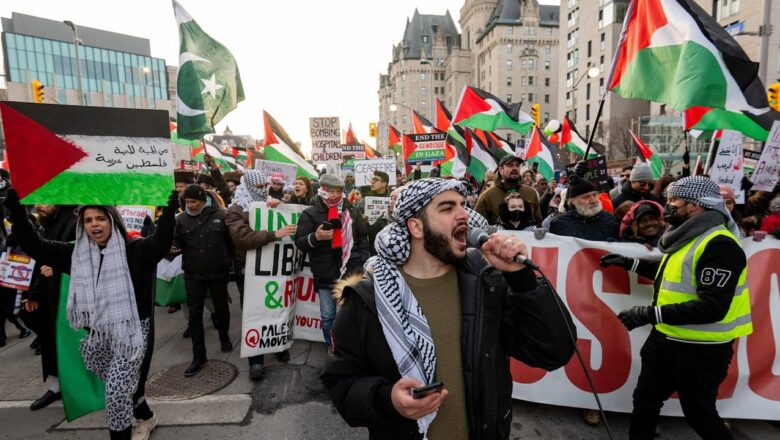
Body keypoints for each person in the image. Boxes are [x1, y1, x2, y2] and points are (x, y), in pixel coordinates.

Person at [321, 178, 575, 439]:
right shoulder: (368, 298)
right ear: (416, 227)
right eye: (447, 208)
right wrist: (387, 399)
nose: (464, 214)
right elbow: (342, 383)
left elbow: (553, 351)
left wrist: (522, 280)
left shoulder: (486, 284)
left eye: (463, 205)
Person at [5, 188, 178, 440]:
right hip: (98, 334)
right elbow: (36, 247)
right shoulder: (76, 254)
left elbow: (160, 244)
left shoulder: (136, 249)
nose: (94, 225)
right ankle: (146, 416)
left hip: (132, 332)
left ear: (112, 220)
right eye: (88, 220)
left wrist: (169, 213)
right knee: (122, 386)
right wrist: (18, 213)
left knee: (117, 392)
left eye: (100, 218)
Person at [601, 176, 751, 440]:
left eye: (673, 200)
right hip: (665, 340)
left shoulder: (720, 245)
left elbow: (712, 308)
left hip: (700, 351)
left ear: (694, 205)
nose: (667, 206)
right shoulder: (689, 235)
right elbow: (673, 272)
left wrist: (647, 314)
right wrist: (629, 263)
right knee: (645, 401)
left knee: (699, 414)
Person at [225, 170, 294, 381]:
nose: (265, 190)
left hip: (274, 267)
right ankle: (255, 360)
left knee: (276, 308)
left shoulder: (269, 202)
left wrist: (276, 207)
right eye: (260, 187)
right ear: (248, 187)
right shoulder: (234, 211)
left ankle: (278, 345)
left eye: (266, 186)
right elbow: (243, 239)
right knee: (254, 314)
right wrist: (275, 234)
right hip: (250, 271)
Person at [294, 174, 369, 348]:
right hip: (324, 273)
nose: (335, 195)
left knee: (348, 316)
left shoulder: (352, 211)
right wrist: (316, 236)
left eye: (338, 191)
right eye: (331, 191)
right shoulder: (310, 213)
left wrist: (362, 260)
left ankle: (348, 349)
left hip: (350, 272)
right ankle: (332, 348)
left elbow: (363, 239)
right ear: (323, 191)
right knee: (328, 316)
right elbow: (300, 241)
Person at [174, 184, 235, 377]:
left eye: (194, 201)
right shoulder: (181, 220)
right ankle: (199, 355)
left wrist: (234, 268)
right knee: (194, 315)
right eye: (187, 202)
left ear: (203, 200)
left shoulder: (220, 216)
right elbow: (176, 243)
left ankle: (224, 336)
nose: (190, 205)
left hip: (218, 272)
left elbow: (230, 244)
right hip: (193, 274)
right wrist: (173, 248)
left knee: (221, 308)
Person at [21, 204, 77, 411]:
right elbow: (42, 260)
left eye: (44, 201)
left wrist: (57, 267)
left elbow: (78, 254)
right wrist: (35, 292)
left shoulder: (74, 222)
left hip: (66, 293)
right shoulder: (48, 224)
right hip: (47, 292)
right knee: (48, 337)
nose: (39, 206)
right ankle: (57, 386)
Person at [475, 156, 542, 225]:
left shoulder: (531, 193)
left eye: (517, 165)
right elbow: (479, 224)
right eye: (510, 165)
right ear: (501, 170)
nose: (515, 168)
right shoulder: (487, 195)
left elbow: (538, 221)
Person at [549, 175, 619, 241]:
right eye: (586, 197)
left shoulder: (609, 219)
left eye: (594, 195)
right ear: (572, 201)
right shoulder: (560, 224)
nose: (593, 200)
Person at [367, 186, 403, 256]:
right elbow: (371, 235)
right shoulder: (383, 218)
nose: (391, 202)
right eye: (391, 198)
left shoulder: (408, 221)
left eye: (395, 199)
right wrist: (365, 222)